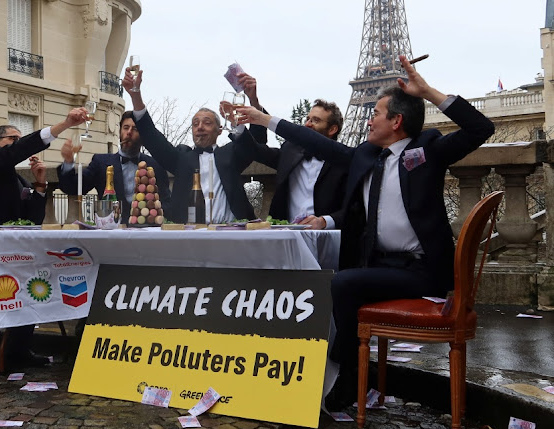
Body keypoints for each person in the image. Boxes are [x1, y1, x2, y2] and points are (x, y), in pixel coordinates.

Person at [237, 55, 495, 406]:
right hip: (379, 265)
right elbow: (316, 143)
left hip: (422, 270)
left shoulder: (427, 150)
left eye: (376, 113)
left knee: (343, 283)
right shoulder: (364, 157)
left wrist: (428, 92)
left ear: (397, 121)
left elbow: (481, 128)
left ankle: (343, 371)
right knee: (336, 280)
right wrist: (265, 119)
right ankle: (339, 368)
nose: (369, 119)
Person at [0, 107, 89, 369]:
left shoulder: (17, 180)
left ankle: (16, 348)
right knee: (18, 273)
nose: (18, 145)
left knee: (36, 275)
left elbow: (31, 220)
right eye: (13, 139)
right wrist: (63, 124)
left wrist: (40, 185)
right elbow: (11, 154)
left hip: (0, 255)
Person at [122, 69, 259, 224]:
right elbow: (153, 138)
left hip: (231, 232)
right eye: (195, 124)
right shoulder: (182, 158)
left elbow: (255, 144)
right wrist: (135, 95)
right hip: (189, 235)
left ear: (219, 130)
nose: (199, 127)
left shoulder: (231, 154)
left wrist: (251, 103)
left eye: (207, 123)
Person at [233, 73, 349, 228]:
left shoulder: (345, 161)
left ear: (333, 129)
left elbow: (354, 209)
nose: (308, 124)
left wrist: (325, 221)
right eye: (307, 119)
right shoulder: (290, 150)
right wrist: (239, 124)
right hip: (288, 235)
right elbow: (256, 152)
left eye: (316, 120)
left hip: (330, 238)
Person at [56, 111, 171, 223]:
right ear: (120, 131)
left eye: (135, 129)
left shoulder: (155, 165)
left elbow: (166, 202)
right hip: (111, 231)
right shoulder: (101, 162)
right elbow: (72, 188)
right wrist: (68, 162)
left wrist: (152, 216)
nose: (129, 132)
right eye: (126, 128)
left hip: (146, 231)